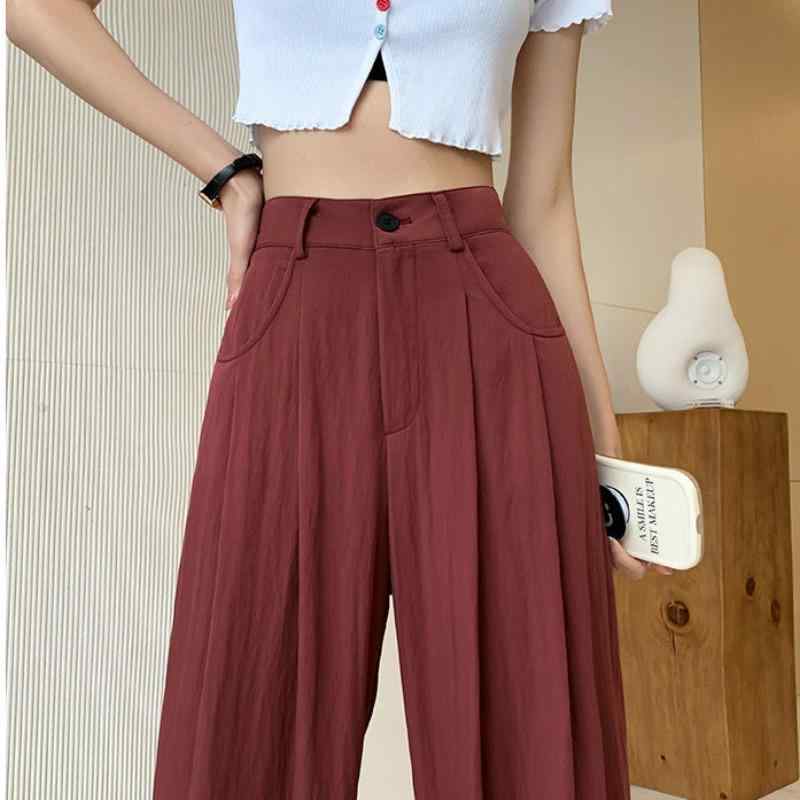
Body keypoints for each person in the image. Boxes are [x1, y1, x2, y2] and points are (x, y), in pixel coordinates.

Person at [7, 0, 673, 797]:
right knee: (248, 707)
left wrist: (604, 445)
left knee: (527, 716)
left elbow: (544, 202)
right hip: (296, 297)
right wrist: (223, 172)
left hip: (484, 312)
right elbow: (36, 11)